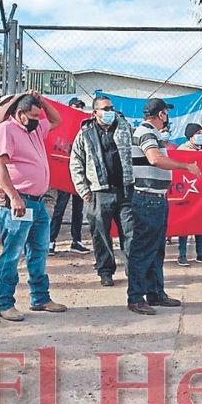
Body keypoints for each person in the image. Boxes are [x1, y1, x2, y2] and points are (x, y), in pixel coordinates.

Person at [0, 92, 67, 321]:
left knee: (39, 251)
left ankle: (40, 297)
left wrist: (42, 101)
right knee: (12, 254)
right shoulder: (6, 130)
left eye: (38, 115)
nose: (37, 119)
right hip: (18, 203)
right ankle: (5, 303)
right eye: (33, 115)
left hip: (38, 203)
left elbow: (57, 121)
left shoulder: (35, 129)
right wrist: (14, 197)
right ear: (20, 114)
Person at [126, 98, 201, 315]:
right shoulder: (147, 133)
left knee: (156, 248)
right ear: (160, 115)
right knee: (143, 249)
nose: (167, 117)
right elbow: (155, 159)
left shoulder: (152, 133)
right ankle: (136, 297)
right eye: (166, 113)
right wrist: (186, 166)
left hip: (155, 198)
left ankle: (155, 292)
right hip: (147, 198)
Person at [69, 95, 135, 287]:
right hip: (98, 192)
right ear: (95, 112)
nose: (109, 112)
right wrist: (84, 190)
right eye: (105, 109)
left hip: (125, 190)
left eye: (111, 108)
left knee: (130, 233)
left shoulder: (125, 128)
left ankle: (134, 272)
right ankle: (105, 271)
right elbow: (75, 163)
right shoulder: (85, 133)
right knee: (101, 234)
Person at [49, 97, 91, 255]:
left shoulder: (84, 128)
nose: (78, 109)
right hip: (64, 174)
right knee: (60, 208)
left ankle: (76, 241)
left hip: (80, 175)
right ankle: (51, 241)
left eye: (81, 107)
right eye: (75, 106)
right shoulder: (63, 126)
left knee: (78, 209)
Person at [175, 123, 202, 267]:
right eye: (197, 133)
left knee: (201, 222)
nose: (200, 135)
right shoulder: (182, 150)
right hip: (186, 190)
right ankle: (182, 255)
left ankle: (201, 253)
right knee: (185, 224)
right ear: (190, 136)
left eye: (201, 132)